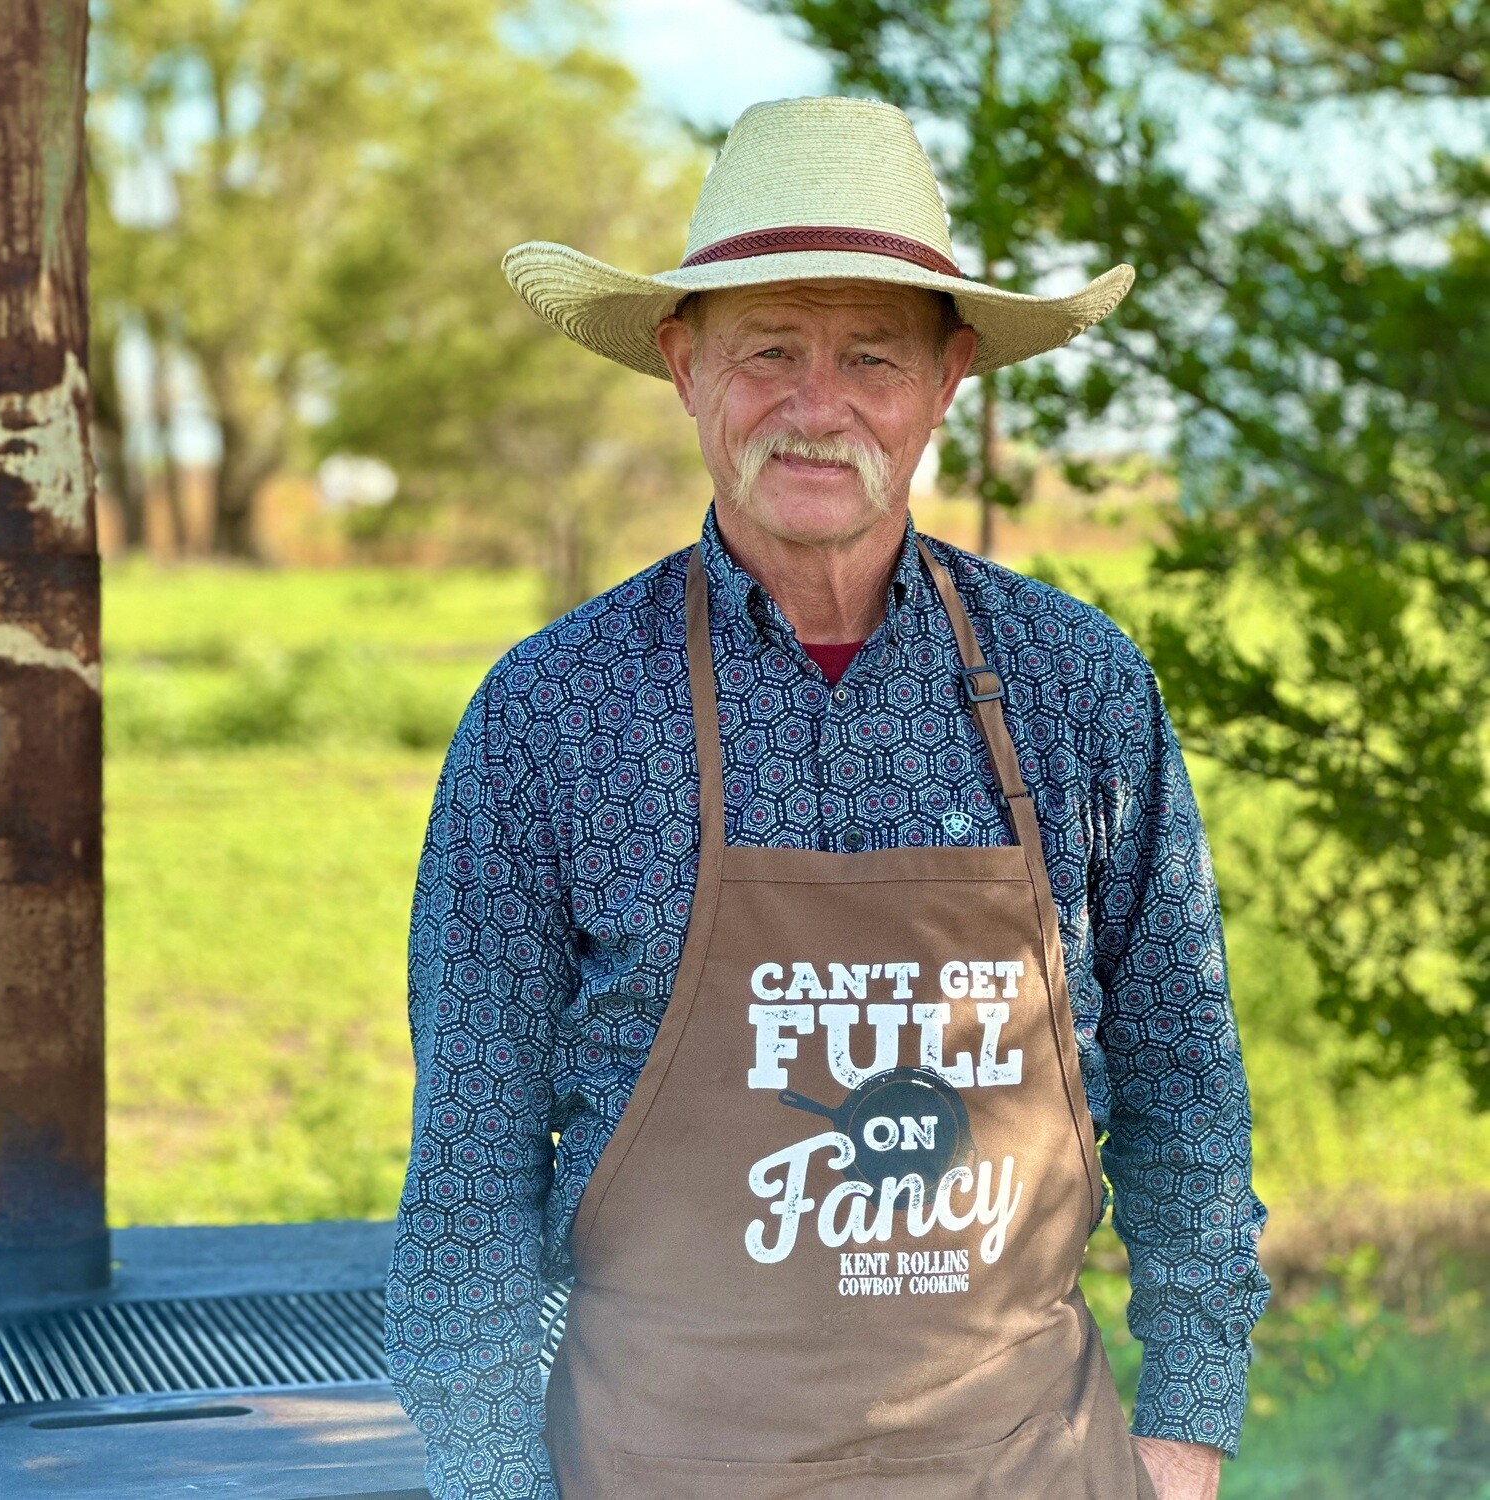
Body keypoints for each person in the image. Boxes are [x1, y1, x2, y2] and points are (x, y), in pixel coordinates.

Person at [385, 96, 1269, 1500]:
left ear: (948, 376)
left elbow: (1185, 1093)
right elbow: (469, 1178)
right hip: (665, 1468)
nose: (816, 409)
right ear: (682, 365)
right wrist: (494, 1480)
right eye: (768, 353)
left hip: (1029, 1466)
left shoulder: (1079, 687)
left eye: (869, 355)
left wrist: (1187, 1433)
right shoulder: (549, 716)